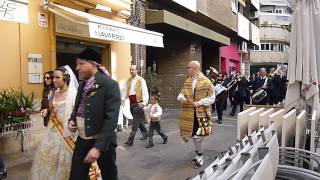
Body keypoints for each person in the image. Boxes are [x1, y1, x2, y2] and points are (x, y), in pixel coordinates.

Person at [68, 48, 120, 180]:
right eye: (77, 64)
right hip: (82, 140)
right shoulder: (82, 84)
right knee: (76, 176)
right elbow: (77, 107)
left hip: (103, 142)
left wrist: (98, 147)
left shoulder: (110, 85)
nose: (77, 67)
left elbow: (111, 119)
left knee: (110, 176)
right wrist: (72, 120)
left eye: (81, 63)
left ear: (93, 64)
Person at [30, 66, 78, 180]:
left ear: (66, 78)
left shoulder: (73, 95)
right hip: (52, 133)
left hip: (67, 135)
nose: (54, 80)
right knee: (47, 163)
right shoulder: (53, 93)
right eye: (53, 77)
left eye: (57, 77)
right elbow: (52, 108)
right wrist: (46, 110)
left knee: (64, 163)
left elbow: (77, 114)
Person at [177, 61, 215, 169]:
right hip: (189, 114)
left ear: (194, 68)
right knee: (194, 135)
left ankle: (201, 156)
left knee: (198, 137)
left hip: (201, 114)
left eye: (188, 67)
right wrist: (180, 97)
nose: (187, 69)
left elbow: (212, 98)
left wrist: (200, 102)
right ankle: (198, 154)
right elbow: (182, 93)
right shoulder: (188, 81)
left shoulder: (206, 81)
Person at [124, 65, 149, 146]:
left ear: (137, 70)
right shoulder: (128, 80)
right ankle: (145, 133)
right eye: (130, 69)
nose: (131, 71)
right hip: (131, 103)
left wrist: (144, 102)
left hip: (139, 103)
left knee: (135, 123)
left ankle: (130, 140)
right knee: (139, 120)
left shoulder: (141, 80)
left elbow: (145, 92)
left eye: (133, 69)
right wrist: (123, 99)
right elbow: (125, 91)